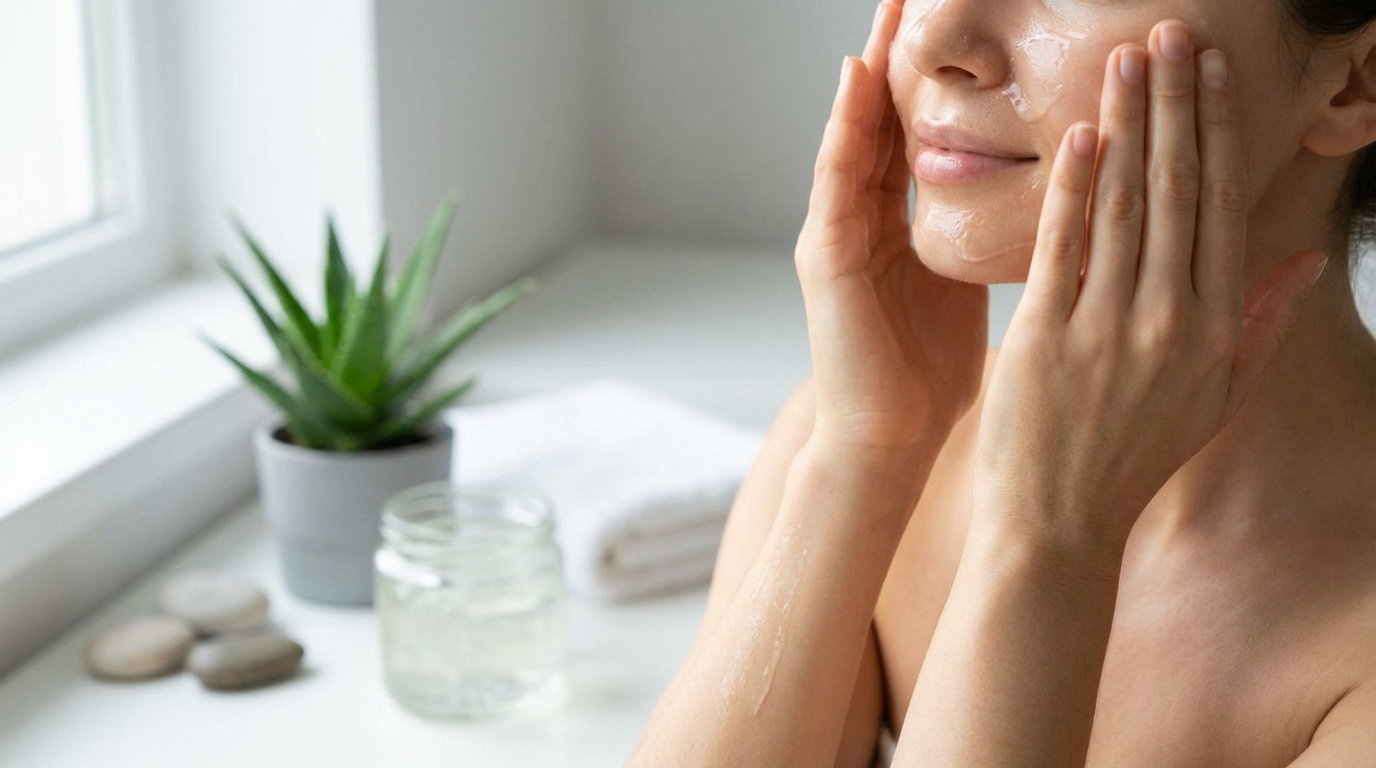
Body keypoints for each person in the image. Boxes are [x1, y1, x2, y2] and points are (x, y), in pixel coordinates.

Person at [630, 0, 1376, 766]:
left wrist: (1049, 533)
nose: (933, 38)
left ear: (1359, 82)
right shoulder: (864, 439)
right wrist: (871, 454)